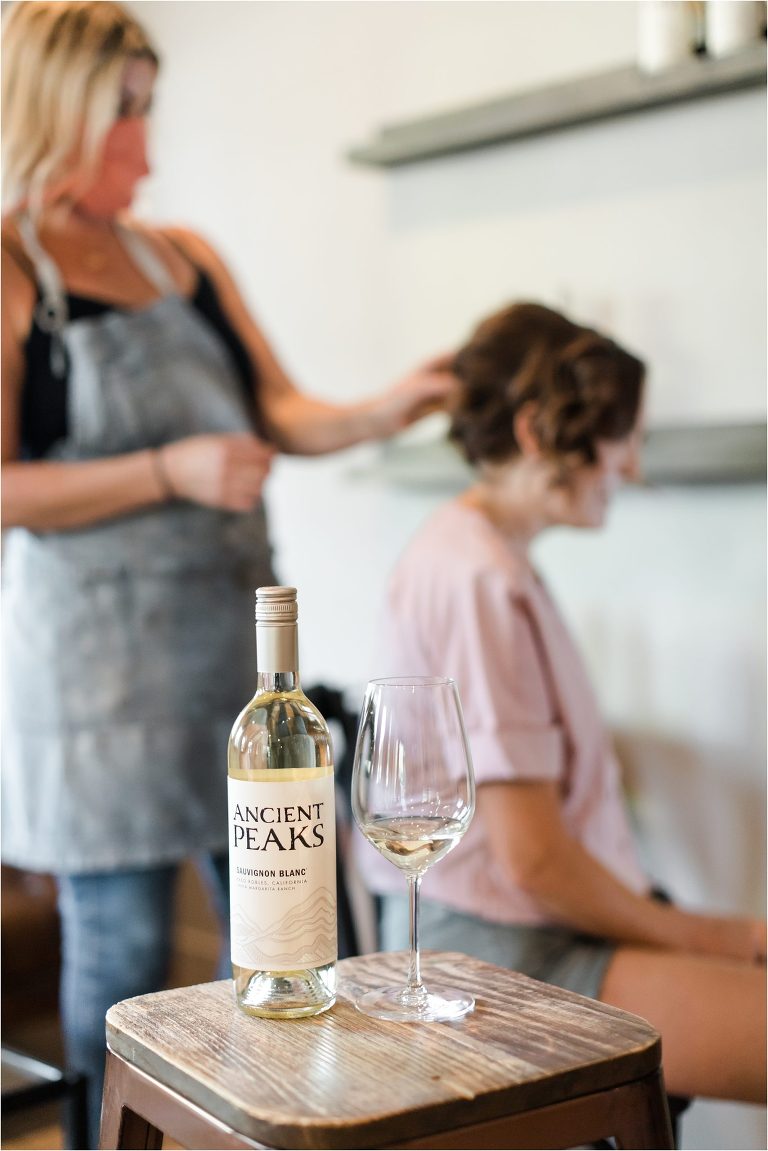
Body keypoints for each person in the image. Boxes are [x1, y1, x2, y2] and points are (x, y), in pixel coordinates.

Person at [0, 3, 454, 1144]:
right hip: (99, 685)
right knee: (124, 959)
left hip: (239, 663)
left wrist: (387, 406)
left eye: (149, 109)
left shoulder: (183, 256)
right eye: (125, 115)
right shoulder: (11, 267)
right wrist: (166, 467)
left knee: (307, 938)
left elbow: (279, 410)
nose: (146, 148)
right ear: (54, 113)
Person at [356, 301, 766, 1107]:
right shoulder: (480, 579)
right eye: (624, 438)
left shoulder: (479, 558)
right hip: (509, 950)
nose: (633, 466)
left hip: (531, 925)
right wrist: (723, 935)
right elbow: (532, 860)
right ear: (541, 431)